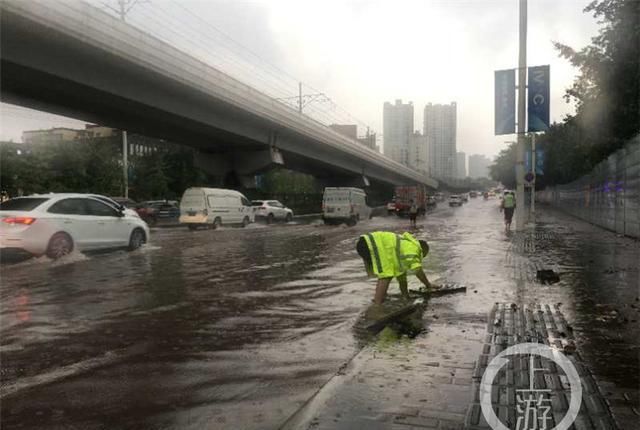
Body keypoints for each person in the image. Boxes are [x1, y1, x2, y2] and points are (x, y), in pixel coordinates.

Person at [356, 231, 435, 304]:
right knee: (387, 275)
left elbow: (402, 277)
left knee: (387, 271)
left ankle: (382, 297)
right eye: (423, 256)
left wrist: (405, 296)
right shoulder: (414, 248)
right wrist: (428, 285)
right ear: (422, 250)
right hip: (371, 244)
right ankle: (377, 305)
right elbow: (418, 271)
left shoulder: (404, 249)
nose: (420, 259)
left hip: (366, 243)